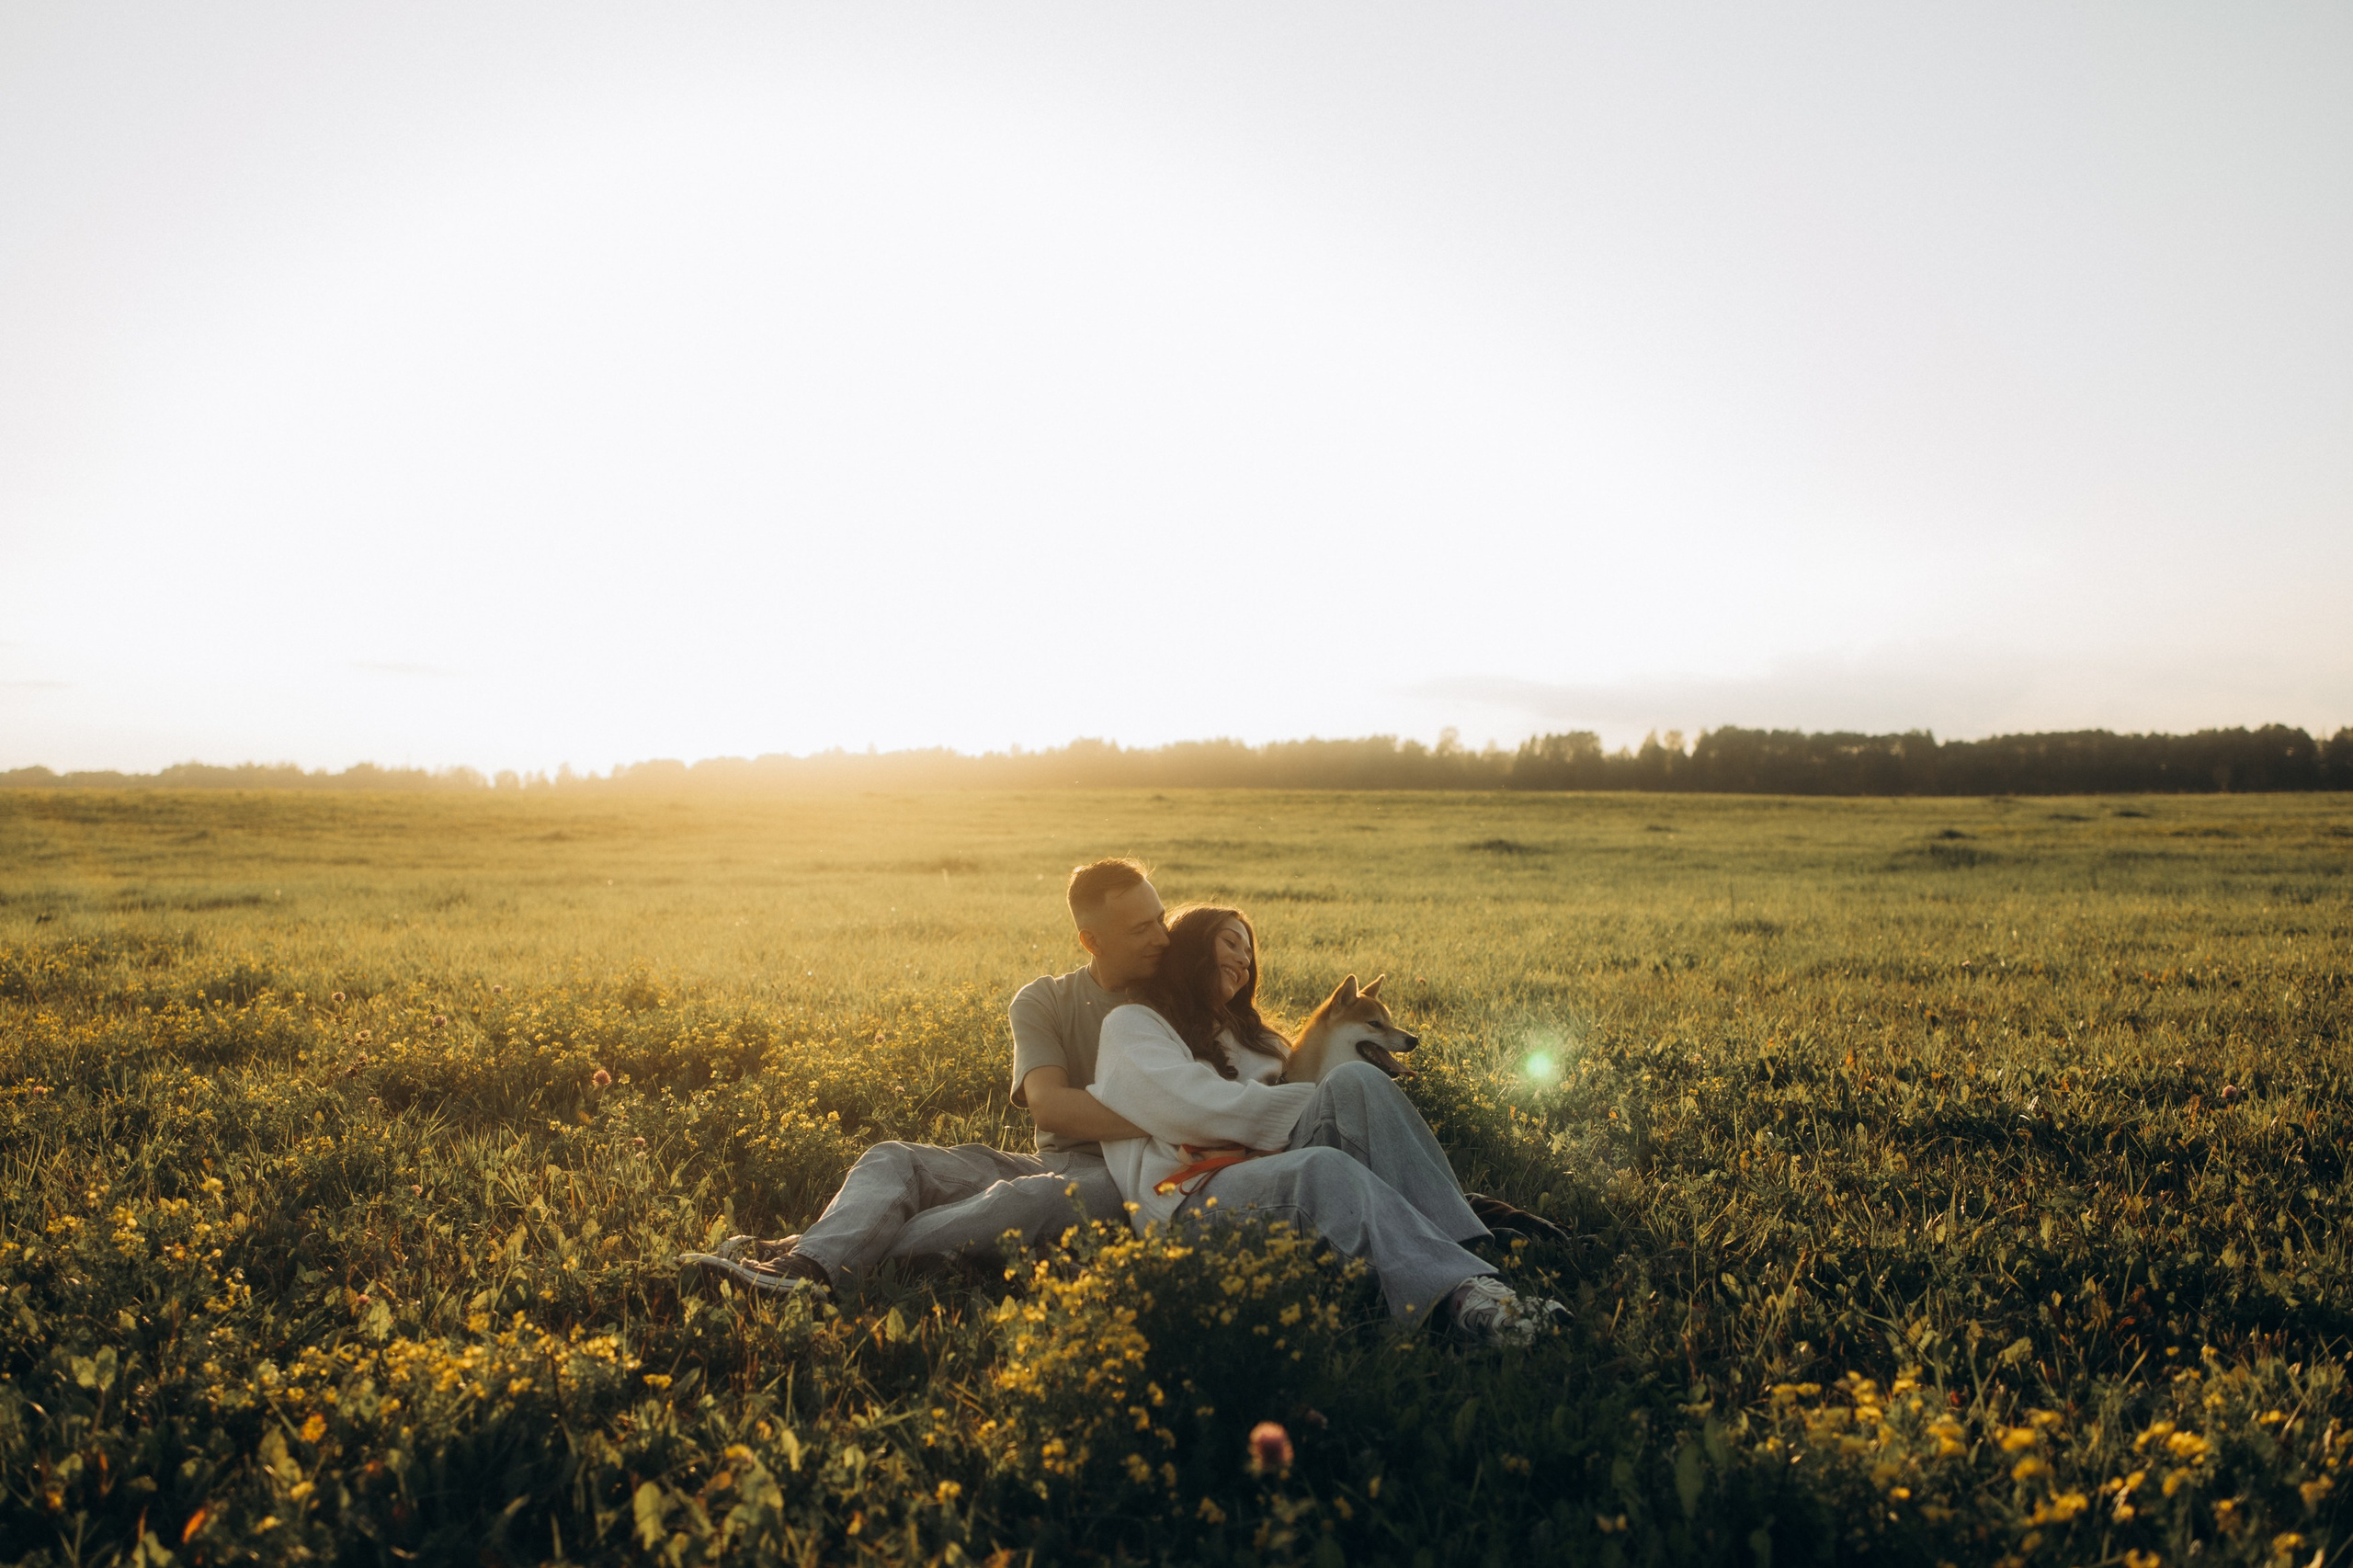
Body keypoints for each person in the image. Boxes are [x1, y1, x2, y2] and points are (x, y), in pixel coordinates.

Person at [679, 858, 1167, 1296]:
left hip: (1128, 1178)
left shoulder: (1178, 999)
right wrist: (1177, 1115)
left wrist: (1179, 1123)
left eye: (1161, 920)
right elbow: (1051, 1107)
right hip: (1051, 1161)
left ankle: (811, 1259)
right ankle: (807, 1264)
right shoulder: (1044, 1000)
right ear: (1091, 940)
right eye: (1143, 928)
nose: (1163, 938)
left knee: (1025, 1199)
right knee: (894, 1159)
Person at [1091, 904, 1567, 1345]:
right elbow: (1194, 1110)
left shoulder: (1256, 1039)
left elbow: (1316, 1088)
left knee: (1357, 1079)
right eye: (1231, 943)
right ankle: (1463, 1302)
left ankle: (1467, 1251)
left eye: (1249, 950)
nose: (1244, 959)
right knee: (1319, 1169)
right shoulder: (1134, 1025)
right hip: (1191, 1202)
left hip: (1267, 1170)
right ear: (1192, 947)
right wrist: (1307, 1104)